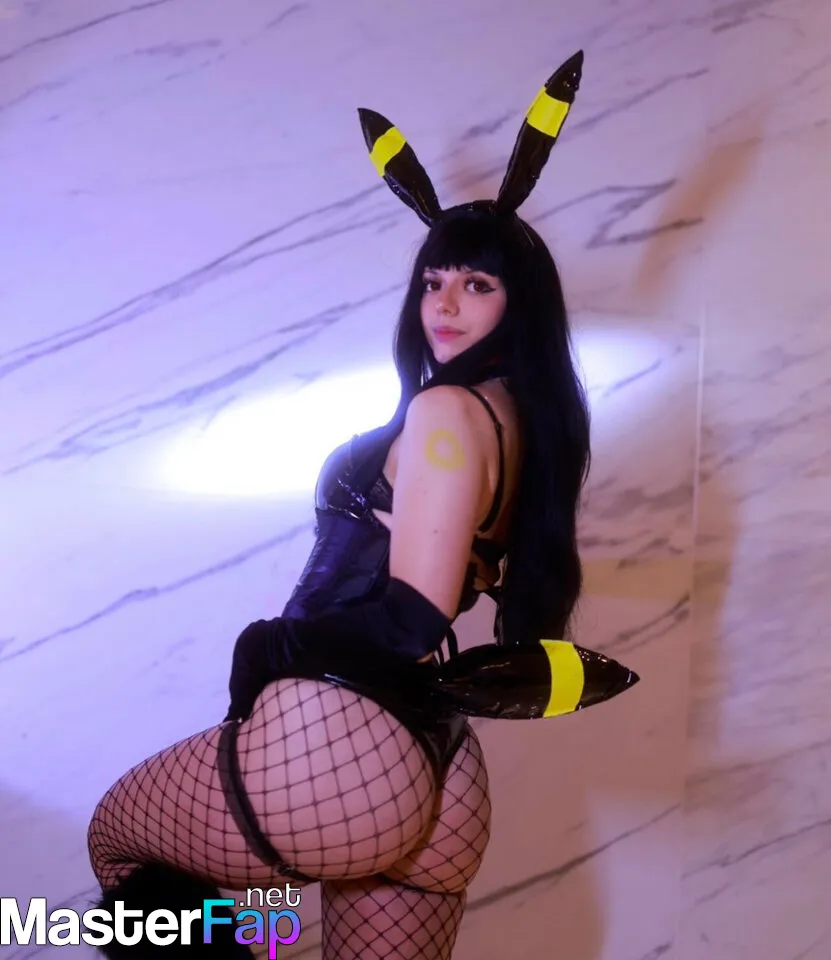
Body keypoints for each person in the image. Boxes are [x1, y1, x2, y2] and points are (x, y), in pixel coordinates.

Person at [87, 51, 636, 958]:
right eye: (433, 281)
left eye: (477, 285)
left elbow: (412, 614)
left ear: (520, 304)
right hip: (440, 770)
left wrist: (273, 646)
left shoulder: (446, 413)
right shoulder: (522, 418)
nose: (444, 305)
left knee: (119, 841)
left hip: (342, 742)